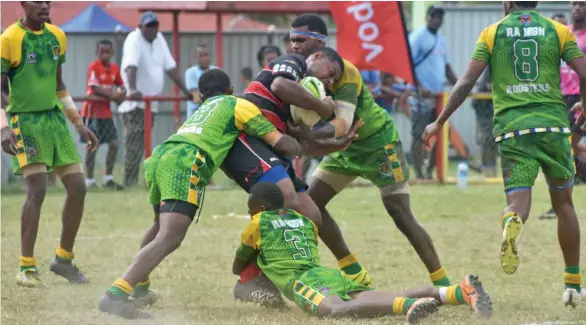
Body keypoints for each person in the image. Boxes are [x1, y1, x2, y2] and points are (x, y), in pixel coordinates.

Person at [98, 69, 360, 319]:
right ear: (232, 89)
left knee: (158, 227)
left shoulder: (203, 111)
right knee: (169, 237)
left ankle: (140, 288)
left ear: (201, 96)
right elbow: (283, 145)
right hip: (186, 161)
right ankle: (116, 294)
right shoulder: (237, 104)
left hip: (161, 156)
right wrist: (312, 137)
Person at [422, 1, 585, 307]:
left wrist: (440, 120)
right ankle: (573, 284)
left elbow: (467, 81)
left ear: (507, 2)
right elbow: (584, 73)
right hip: (553, 128)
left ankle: (512, 218)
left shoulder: (492, 33)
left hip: (513, 131)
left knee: (518, 202)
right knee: (564, 204)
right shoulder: (559, 30)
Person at [289, 14, 454, 290]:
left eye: (300, 40)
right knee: (309, 204)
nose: (295, 46)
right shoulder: (295, 71)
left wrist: (304, 136)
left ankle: (443, 282)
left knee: (400, 213)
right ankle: (352, 270)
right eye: (293, 40)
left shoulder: (348, 72)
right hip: (345, 151)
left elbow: (341, 124)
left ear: (319, 49)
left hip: (380, 146)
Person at [233, 182, 492, 322]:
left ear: (261, 206)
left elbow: (238, 264)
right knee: (375, 296)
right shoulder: (305, 221)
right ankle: (457, 292)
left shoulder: (257, 223)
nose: (248, 213)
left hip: (303, 281)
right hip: (326, 274)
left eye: (250, 208)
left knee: (335, 311)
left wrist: (251, 272)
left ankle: (409, 306)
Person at [0, 1, 99, 287]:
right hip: (24, 121)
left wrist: (78, 124)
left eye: (48, 1)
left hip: (53, 121)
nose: (44, 6)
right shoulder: (9, 39)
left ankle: (63, 260)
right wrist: (5, 127)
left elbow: (59, 86)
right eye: (37, 1)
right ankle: (26, 267)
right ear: (23, 4)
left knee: (79, 187)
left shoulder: (57, 36)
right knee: (38, 189)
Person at [118, 11, 191, 188]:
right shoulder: (134, 39)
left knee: (143, 143)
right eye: (148, 26)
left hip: (151, 103)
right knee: (134, 144)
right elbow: (131, 66)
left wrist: (185, 91)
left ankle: (140, 180)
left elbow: (171, 67)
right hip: (135, 104)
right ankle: (129, 182)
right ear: (140, 27)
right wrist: (133, 89)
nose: (152, 29)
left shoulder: (159, 39)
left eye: (154, 25)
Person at [409, 5, 458, 180]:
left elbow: (446, 66)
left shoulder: (441, 40)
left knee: (441, 134)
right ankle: (419, 173)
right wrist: (420, 87)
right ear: (428, 17)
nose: (437, 19)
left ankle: (430, 171)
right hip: (420, 97)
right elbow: (409, 65)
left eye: (440, 17)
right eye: (434, 16)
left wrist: (459, 84)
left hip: (438, 97)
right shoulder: (417, 37)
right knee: (419, 136)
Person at [81, 39, 126, 190]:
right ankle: (90, 181)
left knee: (114, 144)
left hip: (106, 113)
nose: (105, 55)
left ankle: (108, 179)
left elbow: (122, 86)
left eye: (108, 52)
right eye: (102, 52)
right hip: (92, 112)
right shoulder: (94, 67)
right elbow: (94, 89)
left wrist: (122, 93)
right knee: (92, 146)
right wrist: (114, 95)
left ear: (112, 53)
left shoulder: (114, 69)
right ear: (97, 52)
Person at [471, 69, 498, 178]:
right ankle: (487, 168)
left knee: (494, 139)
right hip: (484, 107)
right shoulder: (493, 66)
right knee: (487, 139)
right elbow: (489, 86)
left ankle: (491, 168)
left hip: (493, 107)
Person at [185, 44, 217, 118]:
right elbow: (196, 97)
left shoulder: (217, 70)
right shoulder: (190, 72)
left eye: (206, 55)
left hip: (214, 115)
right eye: (201, 56)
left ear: (210, 56)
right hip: (195, 115)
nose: (204, 58)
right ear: (195, 58)